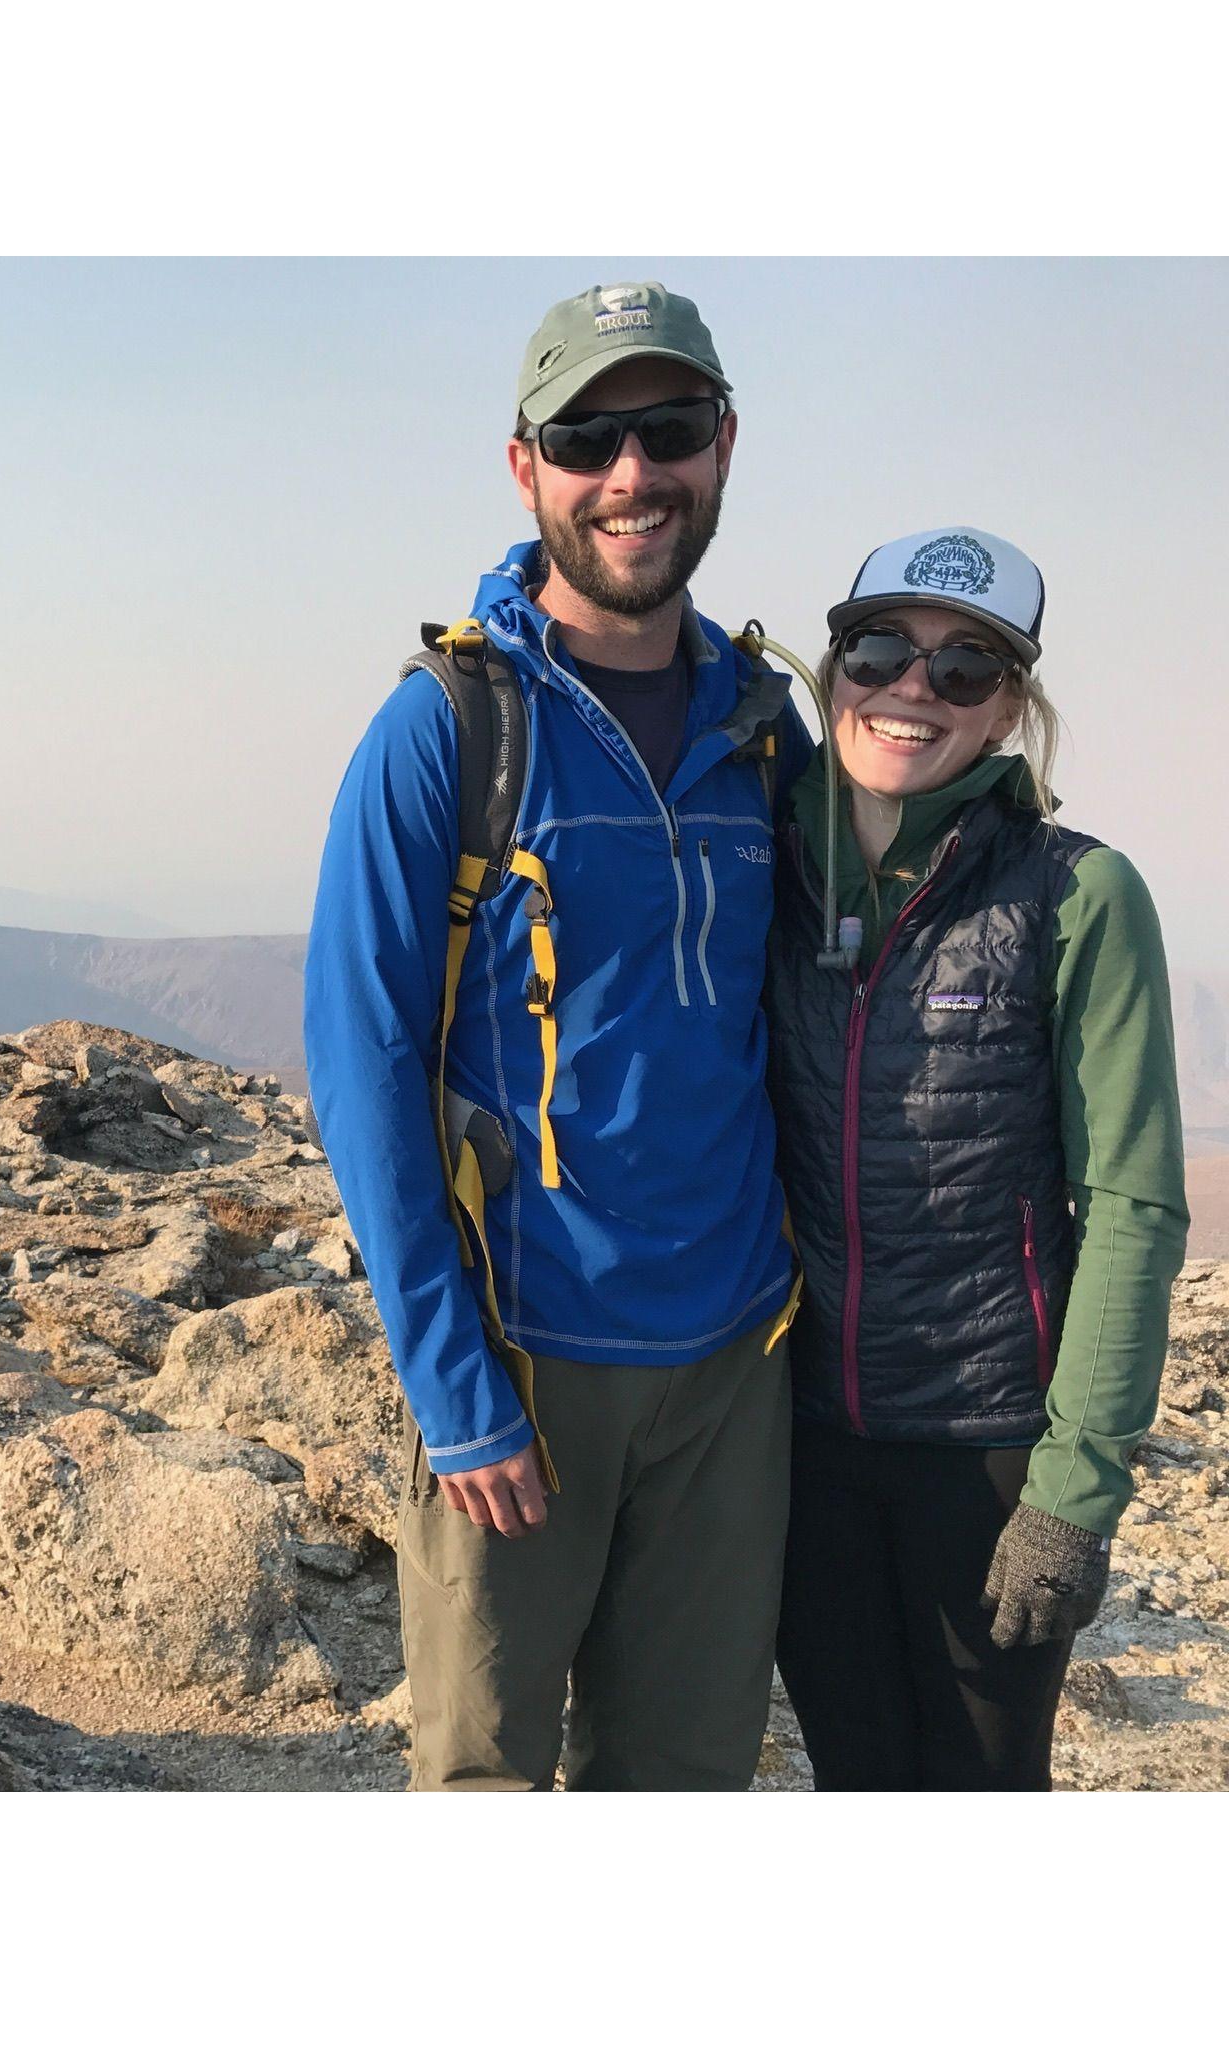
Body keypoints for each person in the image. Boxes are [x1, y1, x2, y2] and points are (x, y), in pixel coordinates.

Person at [304, 282, 812, 1791]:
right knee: (488, 1794)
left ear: (723, 446)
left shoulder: (767, 731)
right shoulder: (449, 728)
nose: (630, 475)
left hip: (734, 1373)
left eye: (664, 431)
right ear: (525, 467)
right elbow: (364, 1070)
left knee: (686, 1787)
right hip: (521, 1373)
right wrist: (456, 1398)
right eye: (587, 437)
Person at [765, 527, 1188, 1791]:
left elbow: (1130, 1203)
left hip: (987, 1449)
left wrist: (1073, 1488)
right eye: (881, 648)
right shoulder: (762, 863)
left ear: (1011, 707)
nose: (912, 687)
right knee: (855, 1776)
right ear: (832, 664)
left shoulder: (1078, 894)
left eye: (965, 669)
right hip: (799, 1444)